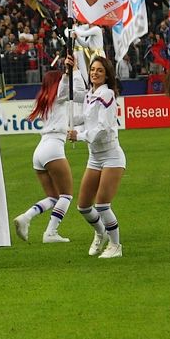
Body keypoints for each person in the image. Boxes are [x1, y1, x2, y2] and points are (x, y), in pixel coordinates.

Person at [14, 56, 83, 244]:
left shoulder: (46, 100)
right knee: (66, 195)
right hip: (53, 148)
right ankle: (51, 233)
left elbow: (72, 119)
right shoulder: (59, 96)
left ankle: (26, 217)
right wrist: (74, 70)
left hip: (40, 151)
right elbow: (80, 92)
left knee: (53, 197)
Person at [67, 56, 125, 259]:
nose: (94, 73)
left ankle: (116, 246)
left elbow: (103, 128)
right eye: (92, 69)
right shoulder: (90, 94)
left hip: (111, 156)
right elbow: (71, 95)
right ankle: (101, 233)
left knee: (101, 205)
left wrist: (79, 135)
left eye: (100, 70)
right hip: (94, 157)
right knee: (83, 206)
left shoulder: (107, 94)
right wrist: (72, 70)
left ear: (107, 75)